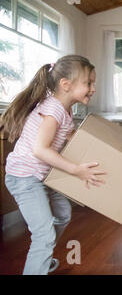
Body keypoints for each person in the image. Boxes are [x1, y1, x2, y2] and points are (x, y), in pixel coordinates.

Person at [0, 55, 106, 275]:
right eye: (89, 83)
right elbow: (40, 149)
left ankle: (41, 256)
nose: (93, 88)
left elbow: (62, 138)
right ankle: (39, 259)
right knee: (44, 234)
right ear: (66, 85)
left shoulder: (65, 111)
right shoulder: (54, 109)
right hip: (25, 176)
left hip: (42, 175)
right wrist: (76, 170)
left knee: (63, 214)